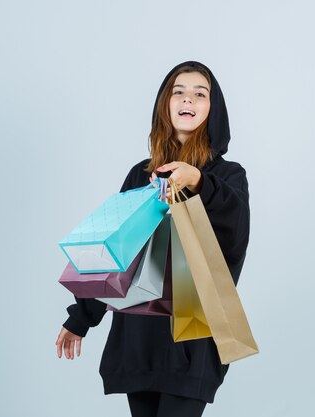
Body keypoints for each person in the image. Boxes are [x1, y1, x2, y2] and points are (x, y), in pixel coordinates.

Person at [55, 61, 250, 417]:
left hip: (192, 337)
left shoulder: (227, 176)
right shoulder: (141, 175)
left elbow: (234, 234)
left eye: (199, 93)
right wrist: (80, 318)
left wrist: (198, 181)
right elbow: (114, 254)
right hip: (139, 335)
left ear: (212, 110)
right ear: (165, 104)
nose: (187, 98)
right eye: (178, 91)